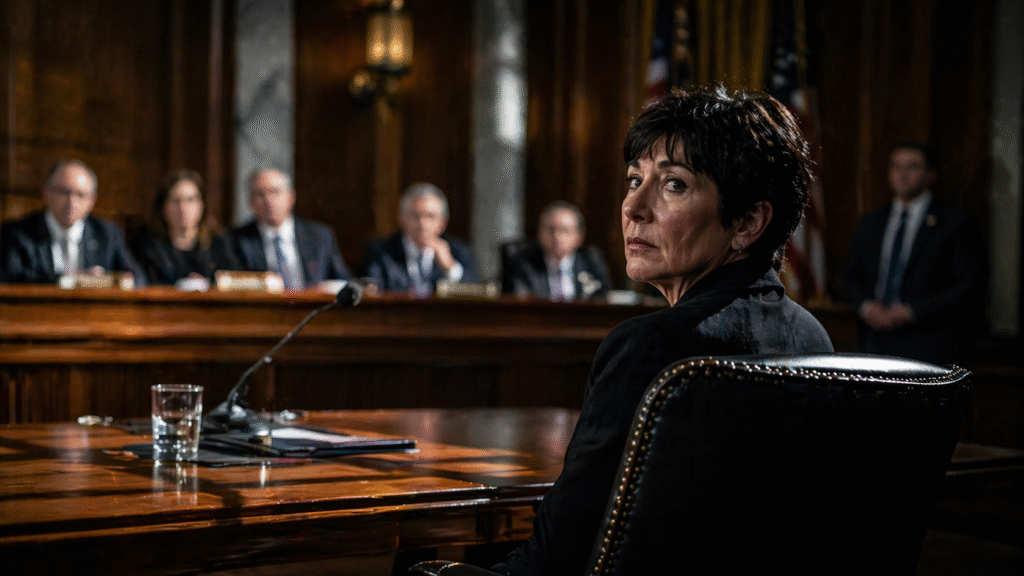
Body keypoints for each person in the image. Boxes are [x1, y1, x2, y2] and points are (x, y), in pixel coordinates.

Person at [498, 87, 834, 575]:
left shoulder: (649, 346)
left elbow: (557, 559)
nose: (633, 206)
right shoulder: (815, 340)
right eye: (634, 179)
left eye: (673, 184)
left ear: (748, 221)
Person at [842, 142, 986, 364]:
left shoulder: (954, 223)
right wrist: (867, 307)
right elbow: (849, 276)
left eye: (912, 167)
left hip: (929, 345)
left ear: (930, 175)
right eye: (896, 167)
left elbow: (967, 286)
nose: (903, 175)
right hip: (873, 342)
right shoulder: (870, 222)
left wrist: (911, 312)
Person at [1, 159, 146, 285]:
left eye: (81, 195)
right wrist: (70, 280)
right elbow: (12, 279)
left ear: (92, 201)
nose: (72, 202)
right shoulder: (17, 233)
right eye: (64, 192)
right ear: (47, 193)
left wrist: (108, 280)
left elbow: (138, 279)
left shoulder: (107, 234)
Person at [232, 168, 352, 289]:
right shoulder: (233, 241)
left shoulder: (319, 236)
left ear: (291, 197)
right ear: (250, 202)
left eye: (275, 192)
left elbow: (343, 281)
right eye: (260, 194)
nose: (269, 200)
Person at [362, 182, 480, 295]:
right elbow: (371, 288)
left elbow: (478, 293)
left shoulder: (459, 251)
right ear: (402, 219)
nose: (422, 224)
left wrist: (450, 268)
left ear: (443, 222)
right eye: (415, 216)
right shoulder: (380, 252)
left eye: (430, 216)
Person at [130, 169, 240, 287]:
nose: (183, 208)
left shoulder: (221, 244)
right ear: (163, 206)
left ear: (201, 205)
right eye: (176, 201)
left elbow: (233, 284)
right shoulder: (147, 246)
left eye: (190, 200)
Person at [502, 201, 612, 301]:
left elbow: (602, 298)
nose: (557, 237)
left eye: (564, 230)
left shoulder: (591, 261)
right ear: (539, 233)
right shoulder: (522, 264)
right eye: (550, 229)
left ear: (579, 237)